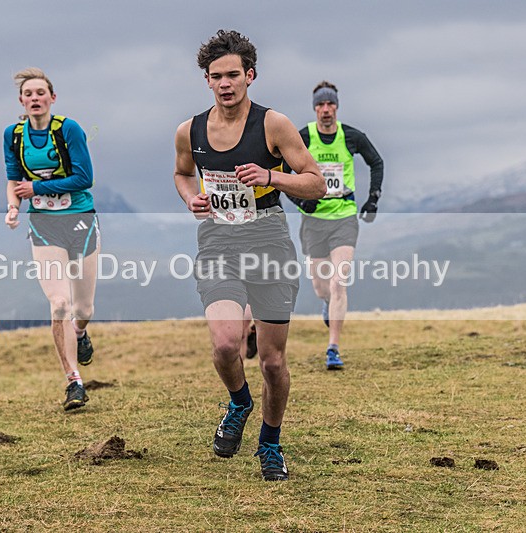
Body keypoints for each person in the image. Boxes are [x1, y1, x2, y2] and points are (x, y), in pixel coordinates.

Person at [173, 30, 326, 481]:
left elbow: (316, 183)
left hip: (269, 241)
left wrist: (271, 176)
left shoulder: (273, 125)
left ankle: (270, 444)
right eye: (216, 76)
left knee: (273, 361)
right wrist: (191, 198)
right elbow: (182, 174)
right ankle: (240, 401)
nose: (225, 84)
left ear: (250, 76)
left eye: (233, 75)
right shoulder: (190, 130)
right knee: (225, 345)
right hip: (218, 243)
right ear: (207, 80)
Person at [3, 67, 100, 411]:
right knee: (59, 303)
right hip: (44, 225)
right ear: (21, 101)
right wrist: (13, 207)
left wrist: (38, 188)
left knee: (84, 309)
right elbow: (14, 180)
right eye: (28, 94)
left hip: (81, 221)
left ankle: (80, 332)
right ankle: (74, 382)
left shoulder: (68, 129)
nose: (35, 98)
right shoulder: (14, 135)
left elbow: (85, 178)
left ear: (52, 98)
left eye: (40, 93)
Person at [286, 81, 384, 370]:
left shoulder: (351, 136)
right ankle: (328, 303)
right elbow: (281, 171)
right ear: (315, 108)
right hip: (313, 220)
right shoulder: (304, 136)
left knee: (339, 281)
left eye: (330, 104)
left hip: (344, 216)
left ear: (337, 107)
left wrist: (373, 199)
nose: (326, 109)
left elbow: (376, 162)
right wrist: (300, 200)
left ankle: (333, 348)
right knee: (321, 287)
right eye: (321, 104)